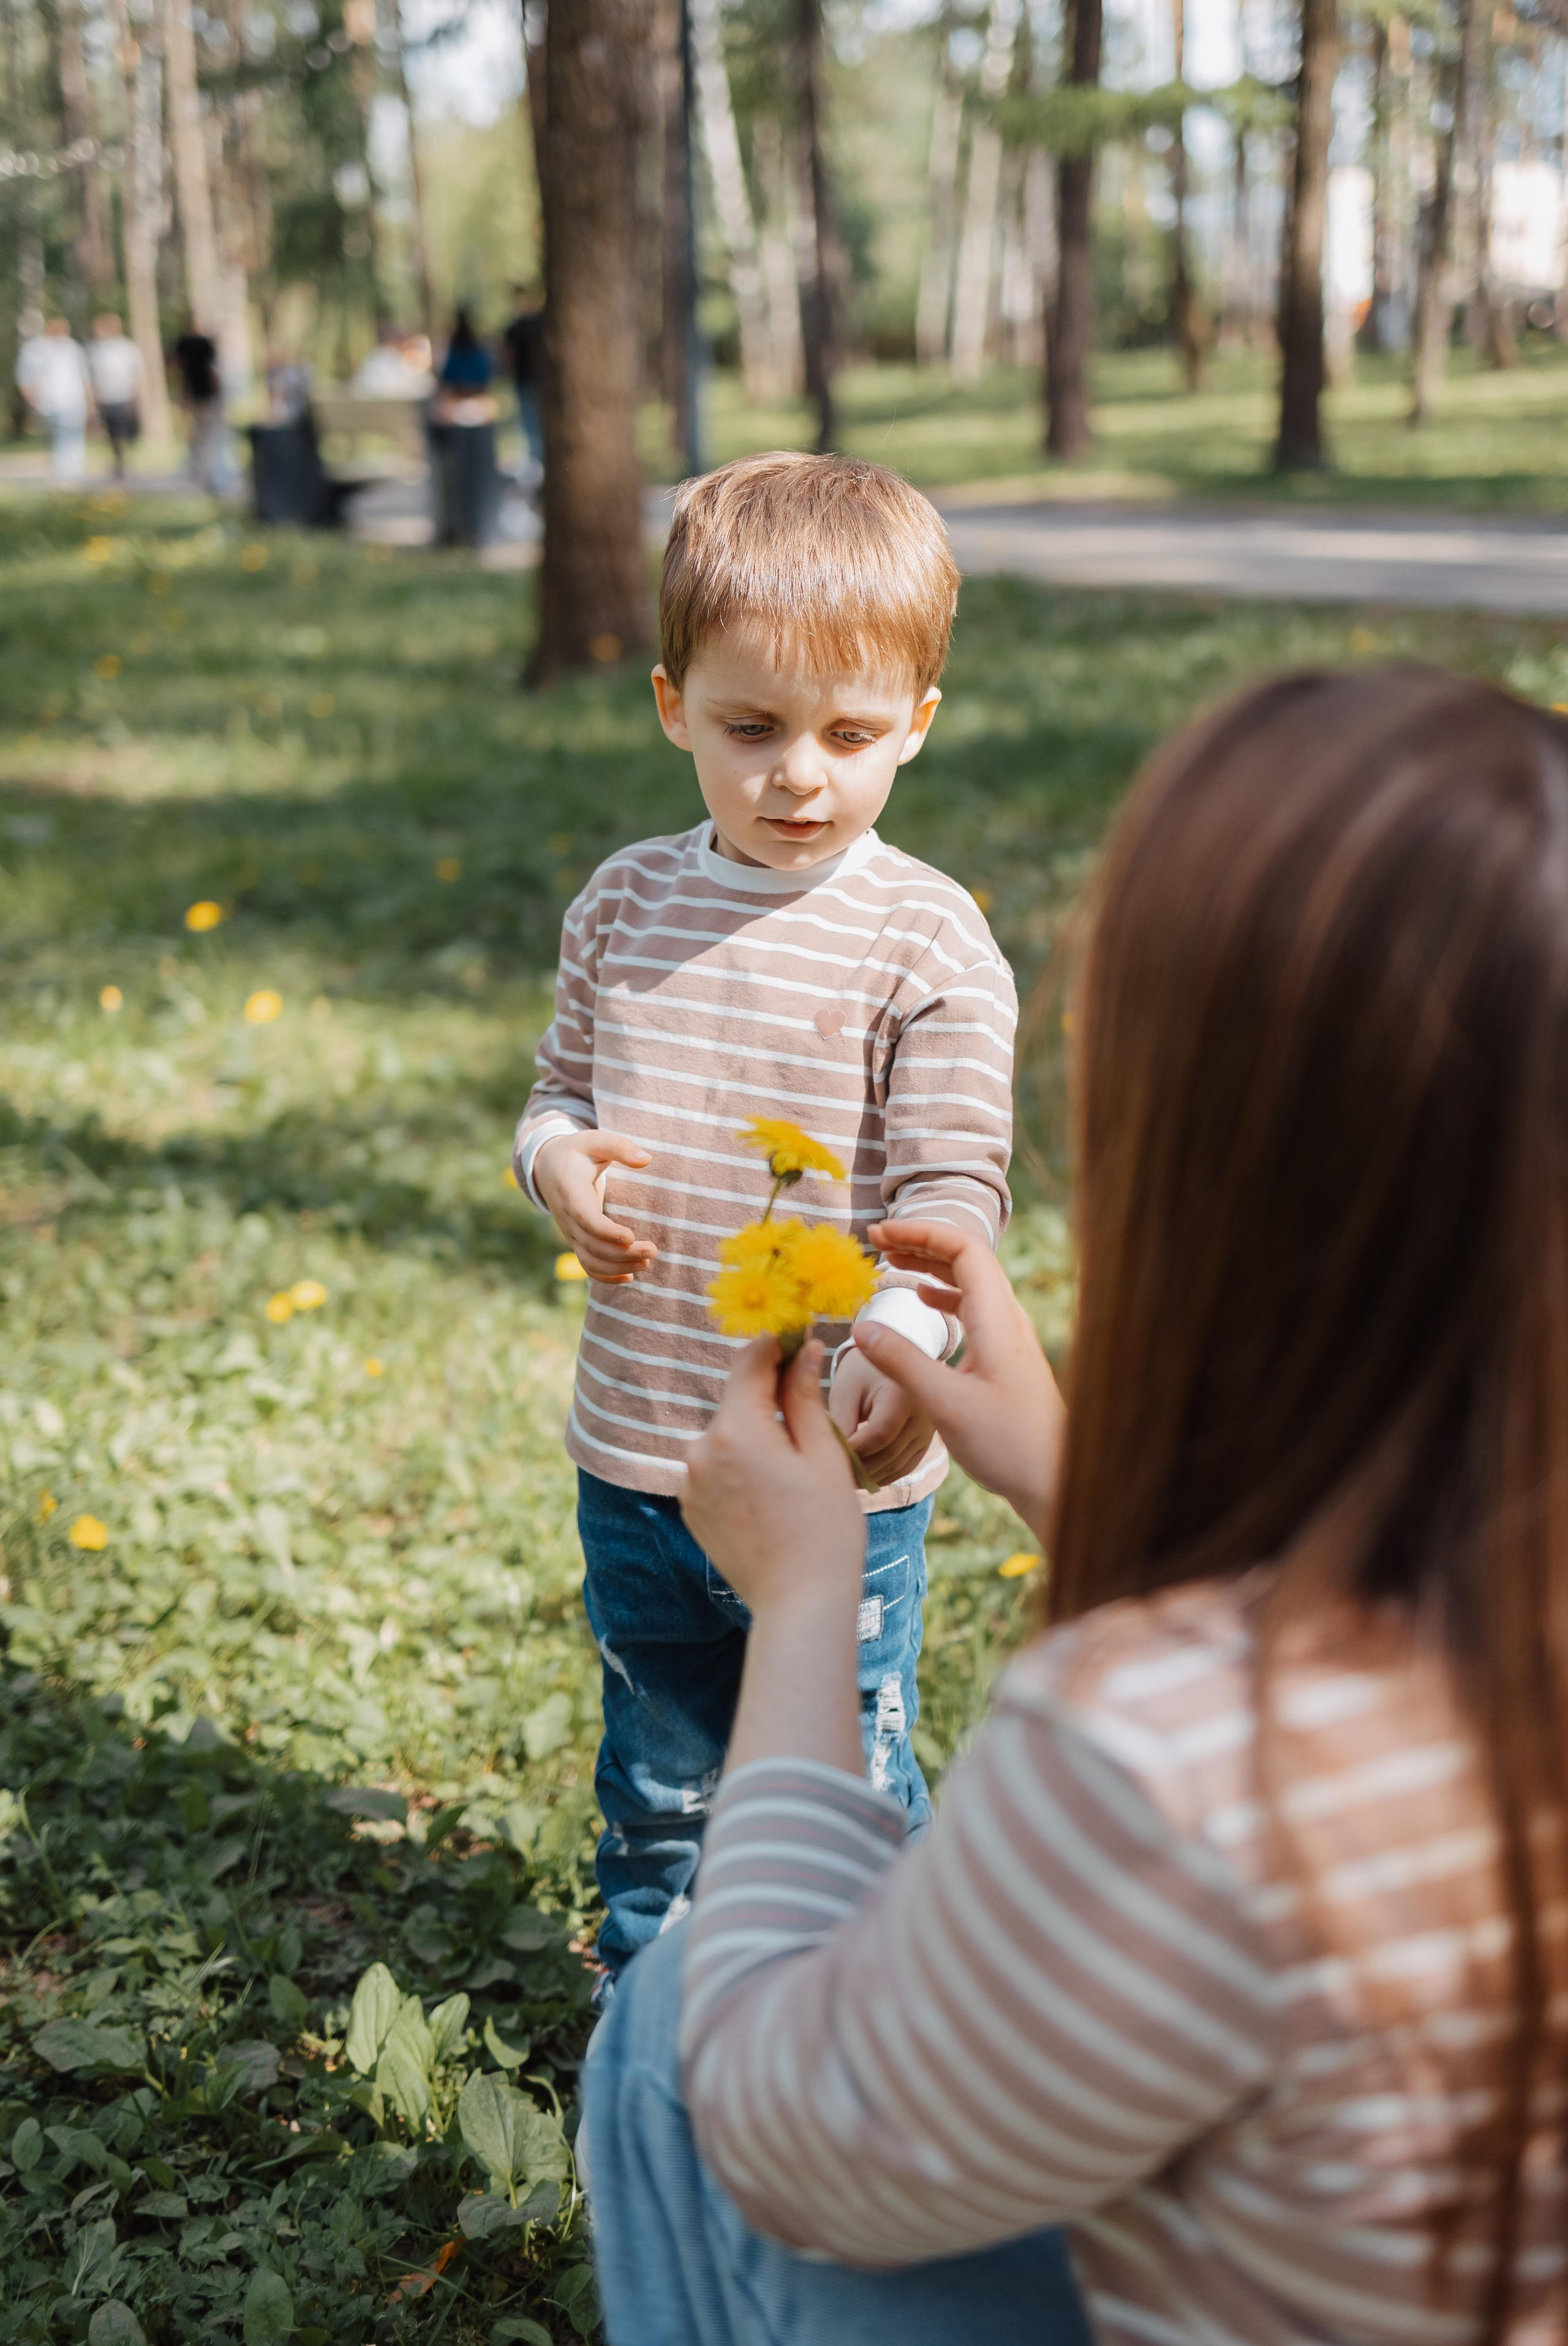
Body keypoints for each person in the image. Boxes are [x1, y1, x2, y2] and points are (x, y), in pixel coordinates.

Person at [584, 667, 1568, 2346]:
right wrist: (1071, 1480)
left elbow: (784, 2133)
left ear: (1204, 1149)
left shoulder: (1167, 1762)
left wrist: (808, 1605)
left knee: (679, 2010)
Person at [513, 452, 1016, 1993]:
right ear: (672, 704)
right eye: (751, 728)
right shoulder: (620, 906)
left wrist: (903, 1336)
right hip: (642, 1452)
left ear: (915, 725)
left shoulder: (923, 936)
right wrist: (560, 1168)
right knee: (659, 1790)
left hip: (834, 1467)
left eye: (850, 734)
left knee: (846, 1794)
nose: (798, 773)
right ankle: (655, 2041)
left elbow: (950, 1198)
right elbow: (553, 1095)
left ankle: (875, 2032)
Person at [15, 317, 92, 485]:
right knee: (57, 435)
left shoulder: (73, 349)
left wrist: (89, 400)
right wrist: (31, 398)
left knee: (72, 435)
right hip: (48, 401)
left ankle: (71, 471)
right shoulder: (35, 349)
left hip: (74, 399)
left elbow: (84, 377)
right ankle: (62, 469)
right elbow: (25, 376)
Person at [86, 313, 145, 480]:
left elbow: (137, 373)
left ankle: (121, 461)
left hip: (124, 396)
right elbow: (90, 376)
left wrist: (136, 397)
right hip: (104, 398)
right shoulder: (95, 350)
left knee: (123, 431)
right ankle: (118, 461)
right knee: (111, 431)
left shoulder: (127, 348)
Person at [172, 324, 228, 492]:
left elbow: (182, 374)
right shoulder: (205, 351)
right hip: (207, 400)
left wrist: (184, 398)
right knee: (211, 439)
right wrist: (220, 398)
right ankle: (210, 475)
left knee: (196, 438)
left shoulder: (187, 353)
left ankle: (197, 473)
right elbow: (213, 374)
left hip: (195, 399)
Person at [502, 284, 543, 470]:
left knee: (531, 428)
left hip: (526, 383)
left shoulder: (516, 327)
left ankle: (537, 466)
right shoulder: (542, 324)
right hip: (538, 384)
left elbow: (507, 357)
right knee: (537, 427)